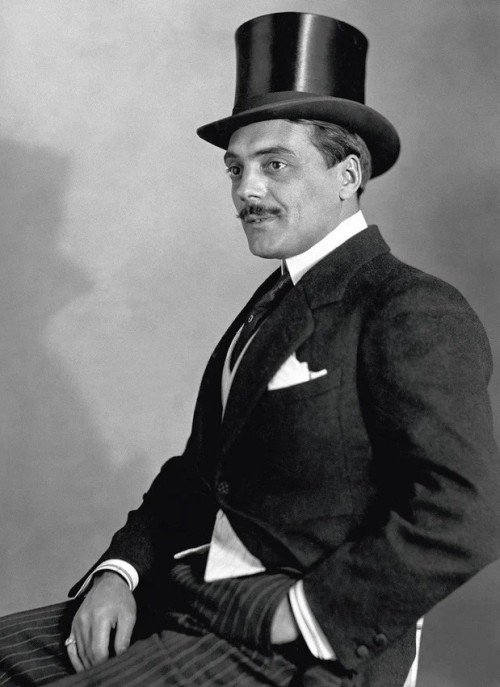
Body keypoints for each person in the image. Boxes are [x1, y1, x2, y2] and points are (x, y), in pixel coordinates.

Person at [1, 11, 499, 687]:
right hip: (187, 597)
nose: (246, 190)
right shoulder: (271, 303)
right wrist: (118, 574)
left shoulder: (407, 307)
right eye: (236, 168)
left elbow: (465, 512)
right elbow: (201, 474)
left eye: (275, 165)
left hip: (298, 650)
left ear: (348, 174)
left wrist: (304, 613)